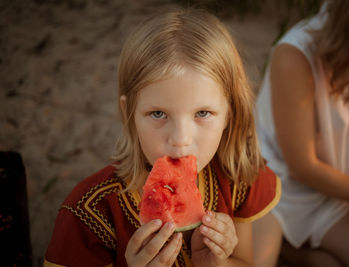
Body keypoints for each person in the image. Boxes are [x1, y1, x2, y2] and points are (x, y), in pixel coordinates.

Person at [44, 8, 281, 267]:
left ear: (229, 114)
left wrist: (218, 264)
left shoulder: (236, 178)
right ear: (128, 112)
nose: (180, 139)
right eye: (158, 114)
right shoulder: (88, 213)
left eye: (202, 113)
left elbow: (244, 261)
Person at [253, 0, 349, 266]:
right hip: (279, 186)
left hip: (328, 184)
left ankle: (297, 250)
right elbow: (302, 167)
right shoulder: (295, 55)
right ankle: (287, 245)